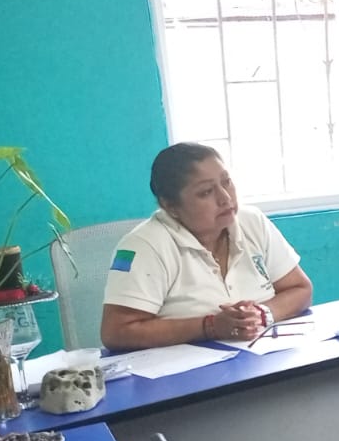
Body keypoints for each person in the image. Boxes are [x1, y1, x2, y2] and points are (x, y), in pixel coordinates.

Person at [102, 143, 313, 350]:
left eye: (227, 182)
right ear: (171, 206)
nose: (225, 198)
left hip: (263, 359)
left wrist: (260, 314)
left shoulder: (252, 221)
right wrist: (209, 326)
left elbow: (300, 289)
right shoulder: (145, 245)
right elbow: (116, 332)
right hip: (184, 369)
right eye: (205, 192)